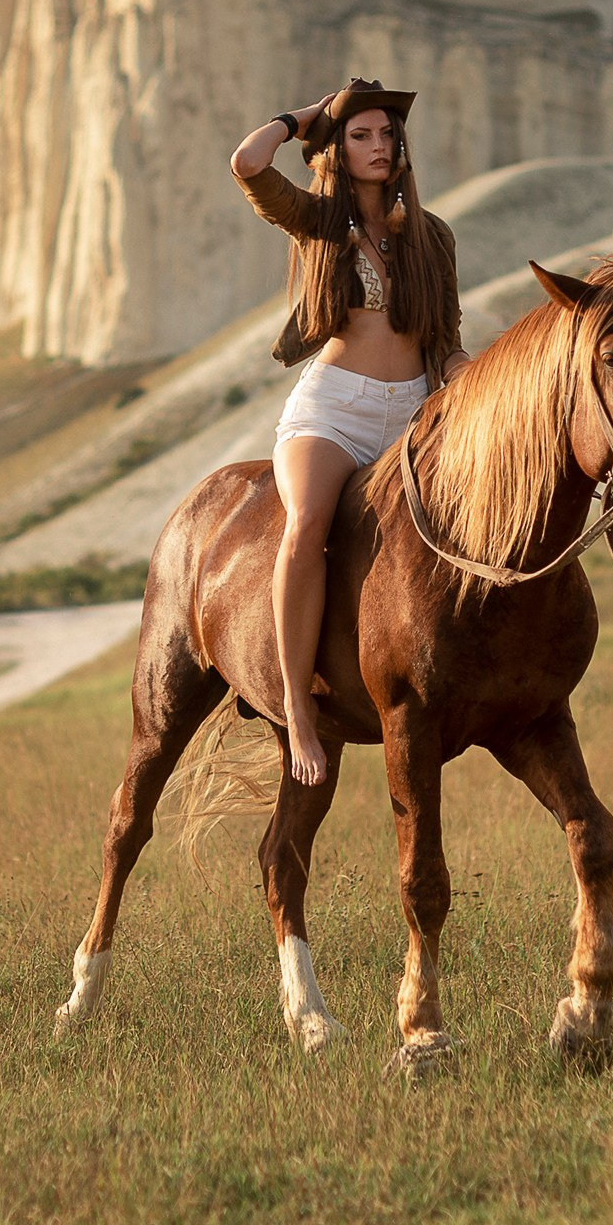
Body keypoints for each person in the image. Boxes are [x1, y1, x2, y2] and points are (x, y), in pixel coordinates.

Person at [231, 79, 468, 787]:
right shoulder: (315, 219)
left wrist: (475, 375)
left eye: (387, 134)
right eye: (361, 134)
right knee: (306, 525)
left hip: (416, 411)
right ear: (338, 147)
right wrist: (309, 117)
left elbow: (446, 341)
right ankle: (297, 706)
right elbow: (247, 162)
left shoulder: (433, 236)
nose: (378, 146)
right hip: (334, 409)